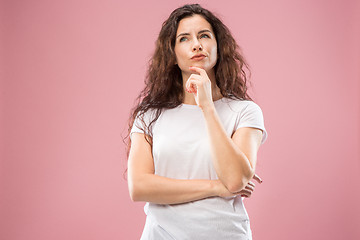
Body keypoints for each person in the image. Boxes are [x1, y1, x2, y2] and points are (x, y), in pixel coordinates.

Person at [125, 4, 268, 240]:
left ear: (218, 47)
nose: (196, 44)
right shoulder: (149, 115)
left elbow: (234, 179)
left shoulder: (245, 111)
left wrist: (207, 107)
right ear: (172, 54)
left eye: (204, 35)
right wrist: (216, 187)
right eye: (184, 38)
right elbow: (139, 186)